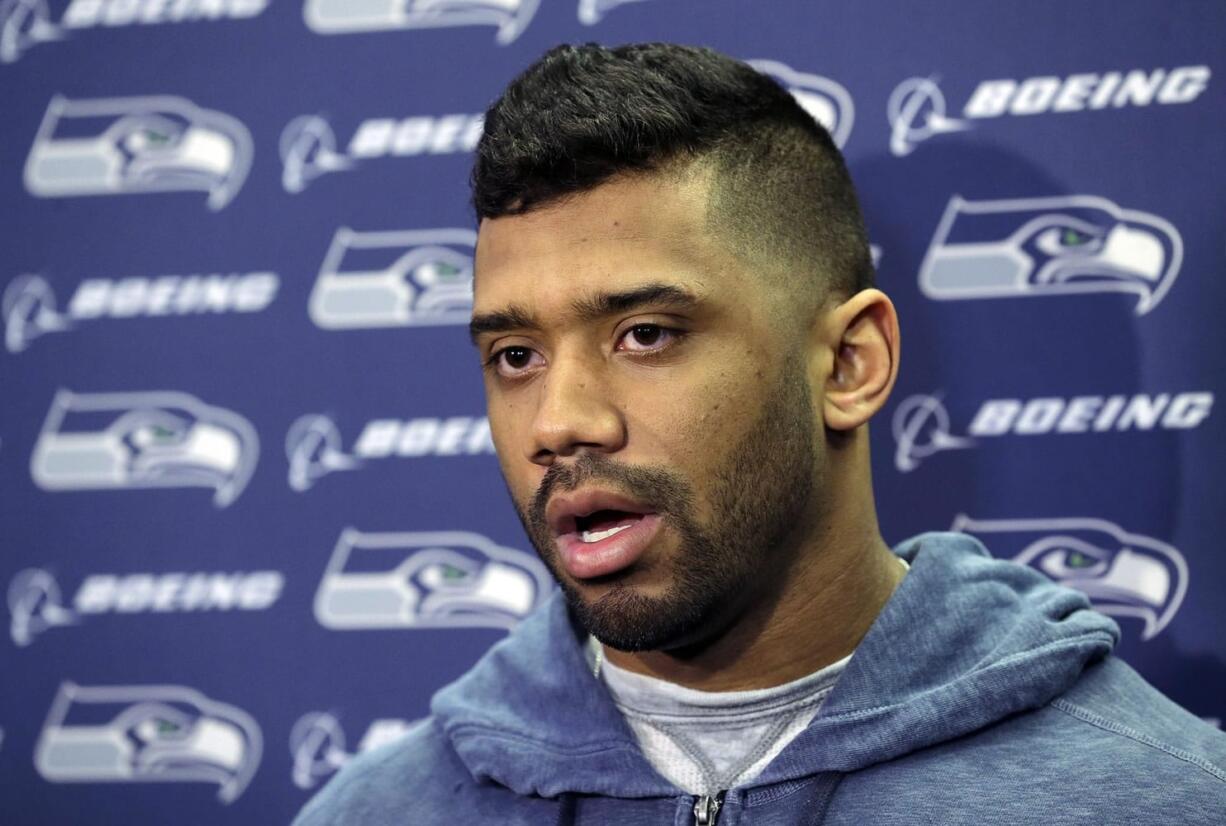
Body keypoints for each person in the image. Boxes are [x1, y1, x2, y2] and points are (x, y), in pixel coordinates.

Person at [294, 43, 1226, 825]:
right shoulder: (376, 811)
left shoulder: (1168, 798)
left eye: (646, 335)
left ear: (849, 364)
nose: (561, 422)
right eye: (515, 354)